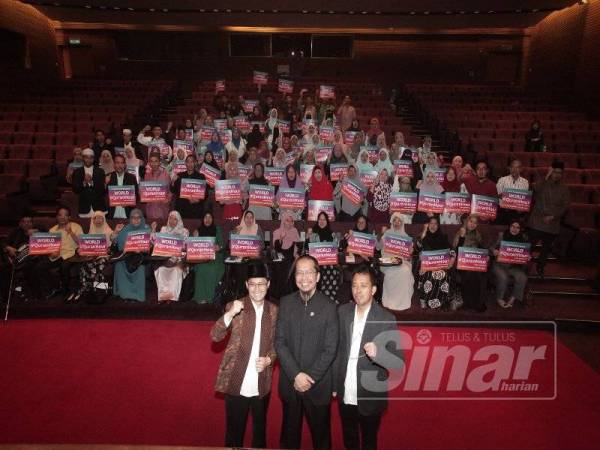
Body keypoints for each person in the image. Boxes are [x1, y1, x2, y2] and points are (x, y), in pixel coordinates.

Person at [334, 264, 404, 450]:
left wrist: (378, 353)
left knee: (369, 441)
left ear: (373, 289)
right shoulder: (342, 312)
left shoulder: (386, 318)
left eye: (363, 285)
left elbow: (398, 362)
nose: (357, 290)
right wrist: (334, 384)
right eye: (354, 285)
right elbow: (337, 350)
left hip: (370, 394)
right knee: (349, 438)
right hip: (346, 388)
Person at [211, 262, 278, 449]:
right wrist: (230, 313)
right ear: (247, 285)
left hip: (261, 380)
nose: (257, 289)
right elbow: (215, 336)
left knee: (260, 431)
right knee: (234, 432)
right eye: (253, 284)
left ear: (268, 284)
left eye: (261, 284)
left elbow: (277, 345)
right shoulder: (235, 306)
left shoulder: (274, 311)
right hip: (236, 378)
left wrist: (269, 360)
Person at [275, 255, 339, 450]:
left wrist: (308, 378)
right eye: (299, 272)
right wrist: (296, 374)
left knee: (321, 439)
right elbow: (280, 342)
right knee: (289, 438)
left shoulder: (329, 307)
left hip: (317, 386)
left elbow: (330, 349)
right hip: (290, 383)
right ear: (295, 276)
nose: (304, 277)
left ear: (318, 277)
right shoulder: (285, 303)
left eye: (309, 272)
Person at [527, 161, 570, 278]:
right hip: (537, 221)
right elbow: (534, 189)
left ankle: (540, 268)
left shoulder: (565, 189)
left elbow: (564, 207)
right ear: (551, 171)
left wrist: (553, 216)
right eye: (555, 172)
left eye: (559, 173)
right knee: (529, 246)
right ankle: (525, 267)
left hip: (552, 224)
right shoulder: (543, 183)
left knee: (545, 250)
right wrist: (546, 176)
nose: (557, 175)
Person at [43, 206, 84, 299]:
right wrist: (51, 253)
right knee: (39, 267)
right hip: (57, 255)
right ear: (57, 217)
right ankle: (52, 288)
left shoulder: (76, 226)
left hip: (72, 255)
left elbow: (82, 243)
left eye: (65, 215)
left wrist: (71, 232)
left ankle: (65, 291)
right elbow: (49, 247)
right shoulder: (52, 230)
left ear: (69, 217)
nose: (62, 217)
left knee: (64, 266)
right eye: (60, 215)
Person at [416, 216, 456, 310]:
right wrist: (424, 232)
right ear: (427, 225)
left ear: (438, 226)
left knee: (443, 274)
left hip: (440, 265)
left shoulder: (443, 237)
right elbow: (417, 249)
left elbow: (451, 250)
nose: (433, 226)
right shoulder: (422, 237)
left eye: (435, 224)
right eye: (431, 223)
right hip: (426, 266)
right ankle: (424, 299)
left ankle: (441, 300)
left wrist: (452, 259)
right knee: (429, 274)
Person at [75, 211, 114, 302]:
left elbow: (113, 244)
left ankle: (100, 291)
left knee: (97, 267)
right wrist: (81, 250)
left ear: (104, 220)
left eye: (101, 218)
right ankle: (88, 289)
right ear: (93, 220)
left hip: (105, 256)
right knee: (84, 265)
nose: (98, 220)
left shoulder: (109, 231)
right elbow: (86, 247)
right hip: (92, 256)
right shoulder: (90, 232)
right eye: (96, 218)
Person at [378, 213, 414, 311]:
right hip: (388, 261)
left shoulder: (406, 236)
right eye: (395, 220)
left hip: (401, 261)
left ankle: (403, 302)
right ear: (392, 222)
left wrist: (409, 251)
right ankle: (391, 300)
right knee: (393, 270)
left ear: (402, 223)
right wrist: (382, 234)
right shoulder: (387, 233)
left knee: (406, 270)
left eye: (399, 221)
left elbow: (408, 256)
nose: (397, 223)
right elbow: (378, 247)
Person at [113, 209, 150, 302]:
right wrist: (116, 232)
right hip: (126, 256)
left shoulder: (146, 229)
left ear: (142, 219)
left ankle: (137, 295)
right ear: (130, 219)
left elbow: (151, 247)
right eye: (133, 218)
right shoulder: (125, 229)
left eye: (139, 218)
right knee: (118, 266)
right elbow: (115, 244)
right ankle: (125, 294)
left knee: (141, 268)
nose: (136, 220)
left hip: (141, 258)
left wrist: (142, 249)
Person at [491, 220, 530, 308]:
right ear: (509, 227)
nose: (515, 229)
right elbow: (491, 246)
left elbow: (525, 253)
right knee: (504, 277)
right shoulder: (502, 235)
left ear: (520, 229)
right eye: (513, 226)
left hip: (513, 266)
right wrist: (494, 251)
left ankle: (512, 298)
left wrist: (527, 257)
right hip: (499, 264)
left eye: (517, 227)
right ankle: (499, 298)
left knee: (522, 277)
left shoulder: (523, 239)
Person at [152, 211, 189, 303]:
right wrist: (153, 229)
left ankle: (172, 296)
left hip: (179, 259)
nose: (172, 221)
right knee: (161, 270)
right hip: (164, 258)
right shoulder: (164, 229)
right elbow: (154, 242)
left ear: (179, 221)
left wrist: (177, 253)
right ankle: (163, 295)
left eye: (175, 219)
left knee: (176, 271)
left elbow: (186, 248)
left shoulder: (184, 231)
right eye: (171, 218)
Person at [453, 214, 486, 312]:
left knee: (479, 275)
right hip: (461, 262)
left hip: (475, 263)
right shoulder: (460, 232)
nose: (473, 224)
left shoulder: (478, 235)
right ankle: (467, 302)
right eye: (471, 221)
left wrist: (486, 256)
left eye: (475, 223)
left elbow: (482, 248)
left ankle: (477, 302)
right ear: (467, 222)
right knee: (469, 273)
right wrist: (462, 237)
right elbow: (456, 250)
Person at [192, 211, 225, 304]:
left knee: (212, 268)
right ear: (202, 219)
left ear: (212, 219)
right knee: (201, 268)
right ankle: (201, 297)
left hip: (215, 257)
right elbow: (192, 247)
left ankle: (210, 297)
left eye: (210, 217)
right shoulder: (198, 230)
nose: (207, 219)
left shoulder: (216, 229)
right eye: (205, 217)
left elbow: (222, 245)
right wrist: (195, 237)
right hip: (201, 258)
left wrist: (218, 247)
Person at [307, 212, 341, 302]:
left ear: (327, 221)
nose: (322, 221)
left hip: (328, 262)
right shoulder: (313, 233)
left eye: (324, 219)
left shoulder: (331, 234)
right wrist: (308, 237)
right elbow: (307, 248)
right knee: (322, 269)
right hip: (315, 262)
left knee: (333, 270)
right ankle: (321, 298)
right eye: (320, 219)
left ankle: (331, 298)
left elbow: (336, 249)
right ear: (317, 221)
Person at [271, 212, 300, 299]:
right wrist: (281, 238)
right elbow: (277, 249)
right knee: (280, 267)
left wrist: (296, 255)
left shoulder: (294, 231)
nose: (290, 223)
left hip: (291, 257)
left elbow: (297, 245)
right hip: (280, 258)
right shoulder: (277, 232)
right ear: (283, 221)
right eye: (287, 220)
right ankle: (280, 295)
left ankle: (291, 295)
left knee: (294, 265)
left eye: (291, 221)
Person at [72, 148, 107, 218]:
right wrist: (84, 183)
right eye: (86, 157)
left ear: (93, 159)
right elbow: (75, 190)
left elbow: (102, 190)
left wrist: (91, 182)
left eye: (91, 158)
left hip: (99, 207)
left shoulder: (100, 171)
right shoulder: (77, 172)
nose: (88, 160)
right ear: (83, 158)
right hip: (84, 208)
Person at [496, 159, 530, 225]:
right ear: (509, 168)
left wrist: (521, 207)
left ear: (521, 169)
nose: (514, 169)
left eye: (517, 167)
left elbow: (523, 200)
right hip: (503, 211)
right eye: (512, 167)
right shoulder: (502, 180)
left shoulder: (525, 182)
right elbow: (498, 195)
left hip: (516, 212)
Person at [171, 154, 205, 219]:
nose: (190, 164)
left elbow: (205, 194)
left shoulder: (201, 177)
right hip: (181, 209)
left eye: (192, 162)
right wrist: (173, 182)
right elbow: (173, 190)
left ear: (195, 163)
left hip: (195, 210)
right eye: (188, 162)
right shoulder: (179, 175)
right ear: (185, 163)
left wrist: (198, 200)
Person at [106, 154, 139, 220]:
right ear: (114, 164)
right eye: (117, 163)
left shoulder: (131, 178)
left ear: (125, 165)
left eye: (122, 163)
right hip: (112, 215)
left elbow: (136, 196)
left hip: (127, 215)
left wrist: (129, 202)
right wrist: (105, 183)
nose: (119, 165)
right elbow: (103, 195)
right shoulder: (108, 177)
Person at [143, 153, 172, 221]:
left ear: (159, 163)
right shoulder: (147, 176)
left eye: (156, 161)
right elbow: (144, 191)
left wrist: (168, 200)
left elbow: (170, 191)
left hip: (162, 208)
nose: (154, 164)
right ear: (149, 163)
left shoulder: (165, 175)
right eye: (152, 161)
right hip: (150, 208)